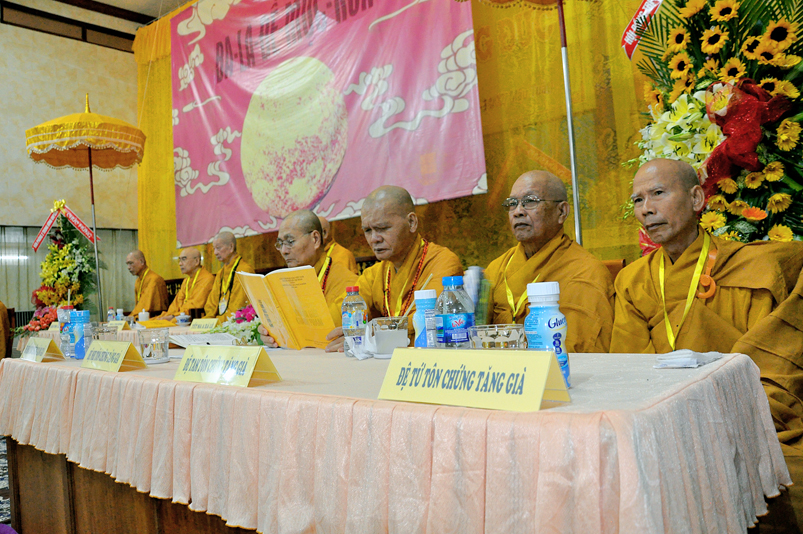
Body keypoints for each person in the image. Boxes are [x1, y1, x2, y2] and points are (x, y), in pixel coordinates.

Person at [611, 158, 803, 447]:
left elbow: (770, 367)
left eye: (658, 193)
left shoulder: (752, 267)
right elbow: (628, 370)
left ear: (696, 199)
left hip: (738, 413)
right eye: (638, 200)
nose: (646, 209)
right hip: (659, 420)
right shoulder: (632, 280)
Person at [484, 171, 614, 352]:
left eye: (530, 201)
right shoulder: (497, 269)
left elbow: (583, 355)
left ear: (561, 212)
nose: (518, 212)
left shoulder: (586, 273)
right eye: (512, 203)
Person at [321, 186, 463, 352]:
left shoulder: (442, 262)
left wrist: (372, 334)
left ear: (411, 223)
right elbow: (338, 317)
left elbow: (428, 319)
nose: (374, 239)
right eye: (368, 230)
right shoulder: (375, 274)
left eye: (382, 228)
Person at [259, 210, 358, 347]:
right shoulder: (285, 282)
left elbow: (331, 332)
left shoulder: (346, 282)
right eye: (280, 244)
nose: (284, 251)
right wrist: (272, 334)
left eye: (290, 242)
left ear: (315, 239)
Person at [203, 231, 255, 322]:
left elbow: (238, 307)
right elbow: (211, 304)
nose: (215, 253)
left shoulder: (244, 271)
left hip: (236, 323)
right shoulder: (220, 273)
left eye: (218, 248)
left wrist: (216, 322)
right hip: (219, 321)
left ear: (231, 247)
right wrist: (208, 321)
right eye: (214, 249)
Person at [154, 248, 215, 322]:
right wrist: (169, 315)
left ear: (196, 261)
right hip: (179, 316)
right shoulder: (186, 281)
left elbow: (195, 306)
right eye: (179, 260)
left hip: (194, 320)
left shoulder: (207, 279)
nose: (180, 264)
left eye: (184, 259)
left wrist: (173, 317)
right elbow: (175, 305)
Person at [126, 250, 169, 317]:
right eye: (127, 264)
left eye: (131, 263)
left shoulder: (154, 280)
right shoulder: (138, 281)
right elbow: (140, 306)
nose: (128, 267)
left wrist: (131, 317)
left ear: (142, 261)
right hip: (142, 316)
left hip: (155, 316)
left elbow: (147, 306)